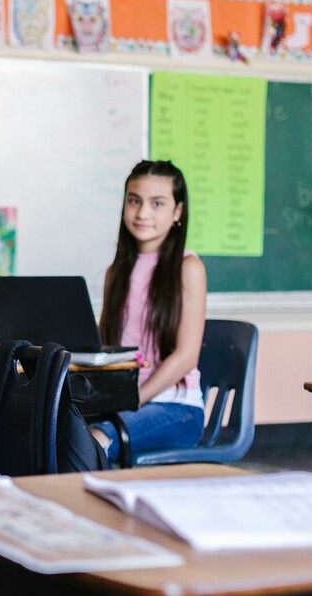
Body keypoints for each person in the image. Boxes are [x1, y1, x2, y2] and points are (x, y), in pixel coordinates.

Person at [90, 159, 207, 463]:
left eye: (157, 204)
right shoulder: (115, 273)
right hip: (121, 404)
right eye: (134, 201)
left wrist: (134, 400)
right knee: (47, 429)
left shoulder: (188, 267)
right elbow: (105, 348)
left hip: (177, 408)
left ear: (177, 212)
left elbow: (186, 356)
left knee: (94, 439)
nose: (142, 213)